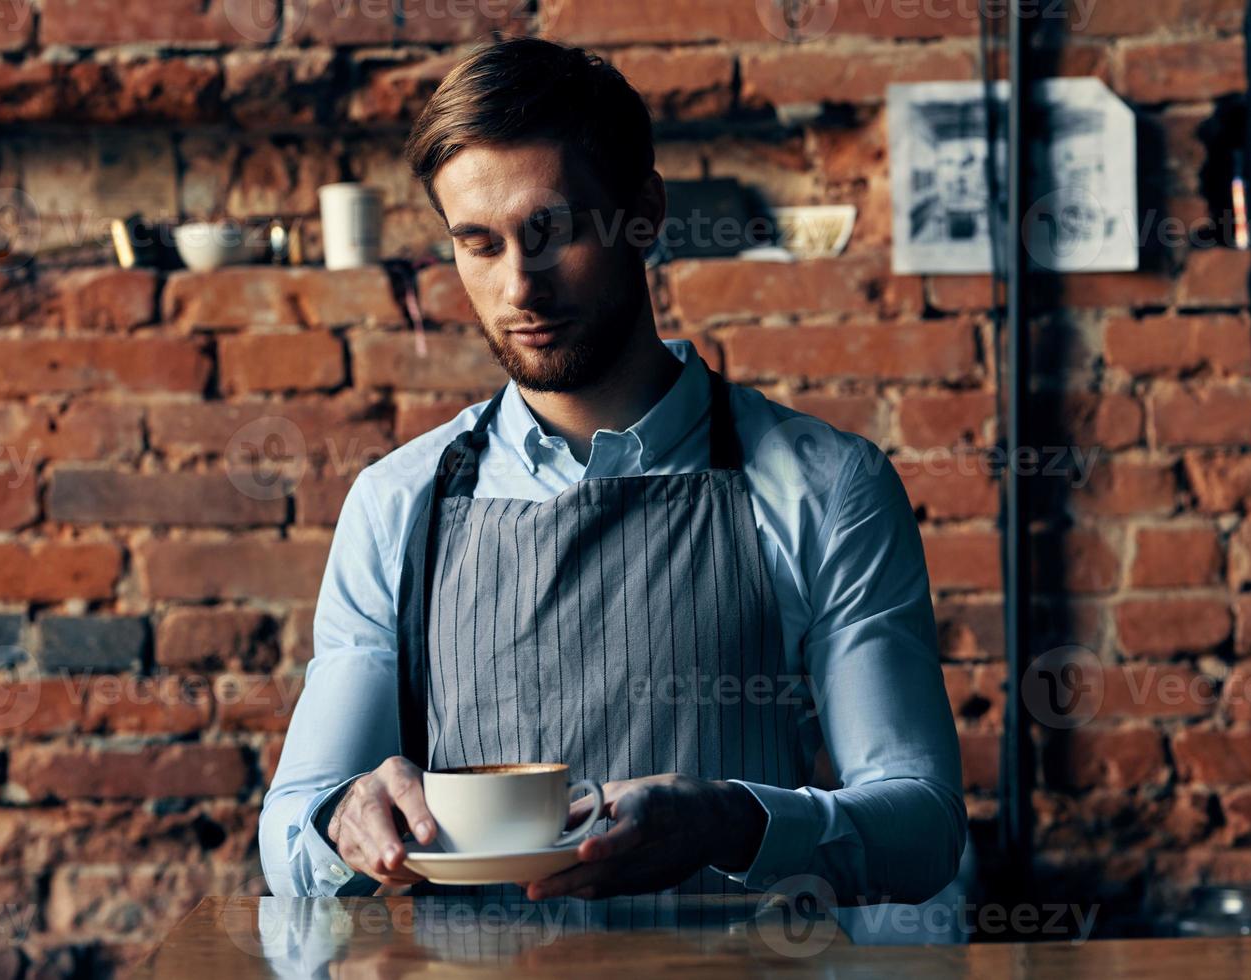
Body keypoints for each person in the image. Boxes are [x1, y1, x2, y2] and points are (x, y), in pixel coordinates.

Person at [260, 35, 965, 905]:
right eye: (479, 244)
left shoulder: (826, 487)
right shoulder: (397, 505)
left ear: (645, 213)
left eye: (552, 232)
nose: (520, 286)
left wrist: (732, 821)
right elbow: (291, 832)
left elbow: (926, 826)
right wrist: (341, 820)